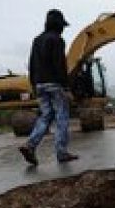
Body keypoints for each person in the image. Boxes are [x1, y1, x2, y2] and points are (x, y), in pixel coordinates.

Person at [19, 9, 78, 166]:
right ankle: (61, 152)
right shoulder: (57, 40)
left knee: (46, 115)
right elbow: (60, 65)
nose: (64, 29)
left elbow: (32, 64)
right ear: (58, 25)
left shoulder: (37, 40)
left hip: (39, 84)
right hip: (55, 85)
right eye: (63, 26)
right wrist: (66, 88)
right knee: (62, 116)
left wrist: (33, 84)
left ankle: (30, 145)